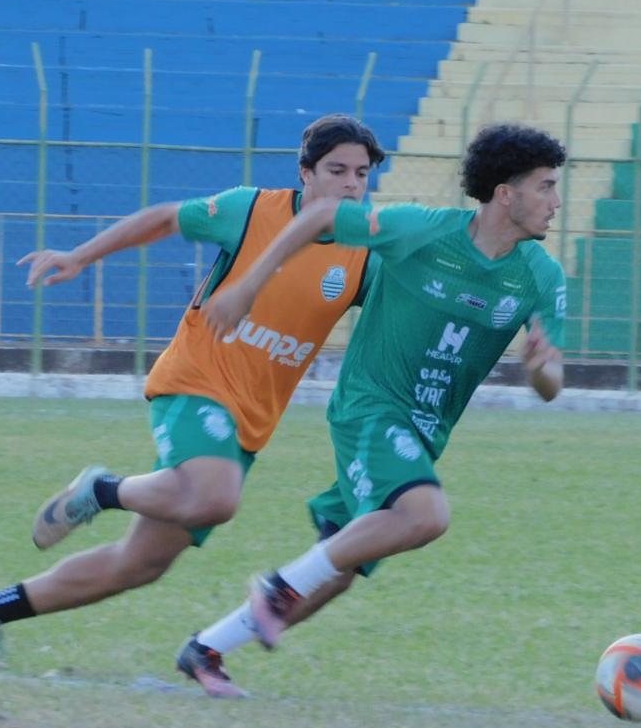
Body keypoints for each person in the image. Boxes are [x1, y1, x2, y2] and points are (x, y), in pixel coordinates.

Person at [0, 115, 387, 695]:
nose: (351, 185)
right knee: (217, 497)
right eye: (336, 171)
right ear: (305, 173)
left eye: (361, 174)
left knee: (139, 565)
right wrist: (81, 255)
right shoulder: (251, 210)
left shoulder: (367, 251)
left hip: (249, 422)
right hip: (196, 381)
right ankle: (102, 490)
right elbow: (163, 219)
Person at [184, 123, 568, 694]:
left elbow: (553, 383)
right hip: (372, 407)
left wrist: (540, 369)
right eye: (545, 187)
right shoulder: (422, 231)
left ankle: (206, 649)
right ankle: (276, 588)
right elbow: (317, 218)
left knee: (337, 571)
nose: (556, 203)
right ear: (505, 194)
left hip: (425, 429)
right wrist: (247, 287)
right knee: (425, 516)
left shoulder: (542, 275)